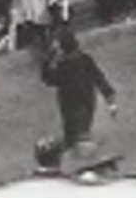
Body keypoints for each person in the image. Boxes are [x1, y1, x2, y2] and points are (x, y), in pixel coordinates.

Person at [40, 28, 117, 158]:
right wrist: (110, 100)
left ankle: (80, 155)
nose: (56, 49)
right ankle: (79, 153)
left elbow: (49, 80)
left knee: (76, 133)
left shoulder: (66, 64)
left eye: (58, 45)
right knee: (75, 133)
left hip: (76, 104)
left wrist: (47, 61)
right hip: (78, 103)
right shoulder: (80, 60)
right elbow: (99, 78)